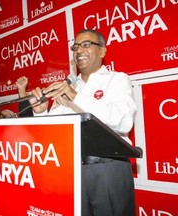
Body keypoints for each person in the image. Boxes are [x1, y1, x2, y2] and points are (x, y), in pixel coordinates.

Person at [30, 29, 137, 216]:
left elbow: (123, 121)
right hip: (69, 171)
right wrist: (40, 113)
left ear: (102, 51)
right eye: (76, 47)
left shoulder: (117, 79)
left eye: (87, 45)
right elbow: (53, 132)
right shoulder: (68, 87)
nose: (79, 50)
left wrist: (75, 97)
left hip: (107, 169)